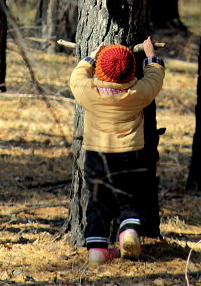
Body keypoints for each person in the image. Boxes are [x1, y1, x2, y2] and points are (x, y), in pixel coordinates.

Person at [69, 36, 165, 264]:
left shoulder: (90, 93)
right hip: (130, 155)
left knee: (97, 202)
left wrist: (90, 57)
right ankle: (129, 232)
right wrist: (151, 57)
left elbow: (76, 77)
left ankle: (97, 250)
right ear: (131, 71)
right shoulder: (137, 94)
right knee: (130, 198)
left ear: (100, 71)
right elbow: (155, 77)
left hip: (96, 156)